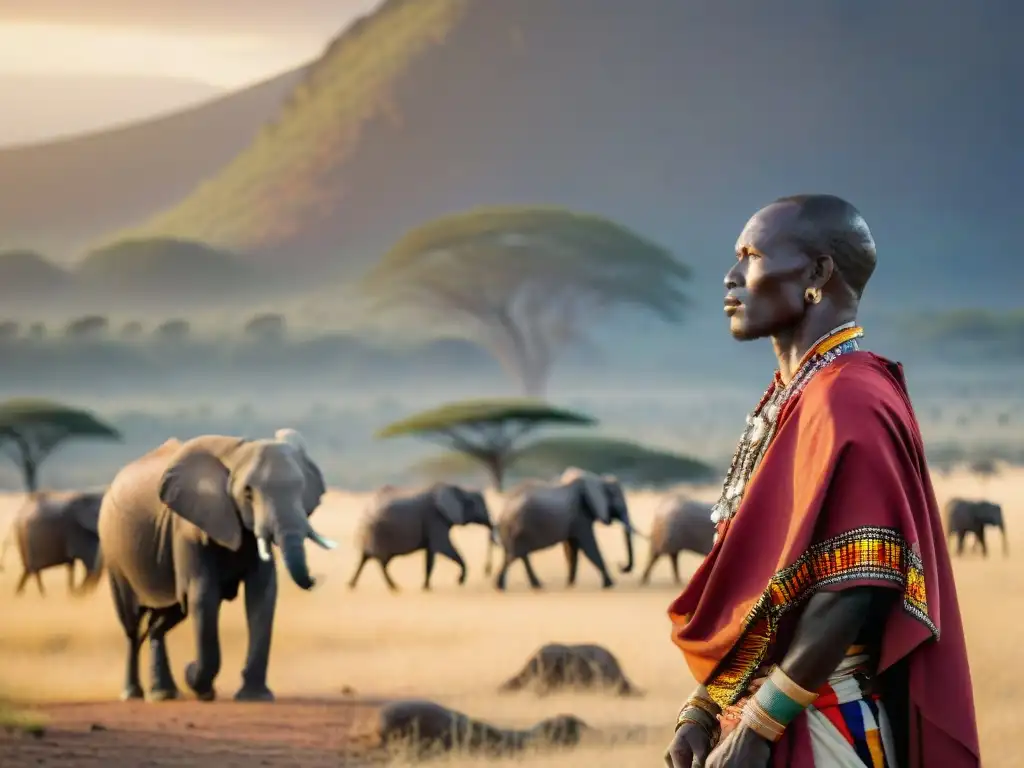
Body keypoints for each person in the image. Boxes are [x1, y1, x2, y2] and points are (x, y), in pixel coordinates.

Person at [663, 195, 980, 768]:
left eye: (751, 255)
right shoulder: (796, 394)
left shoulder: (849, 396)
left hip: (822, 723)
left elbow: (852, 585)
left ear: (816, 273)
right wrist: (707, 707)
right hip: (765, 717)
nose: (731, 277)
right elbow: (769, 593)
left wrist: (760, 725)